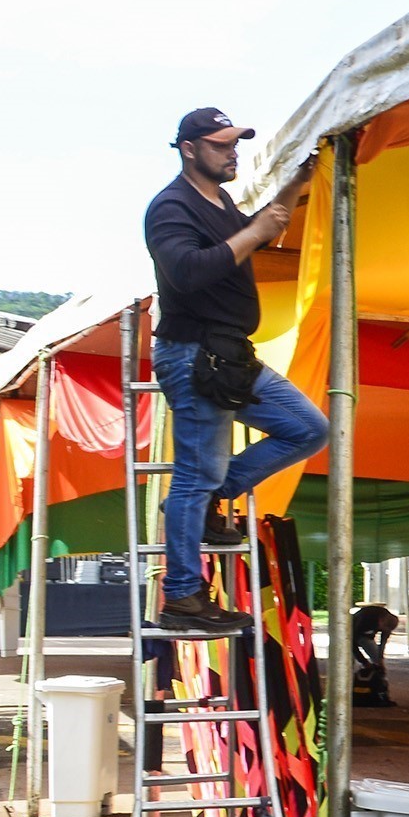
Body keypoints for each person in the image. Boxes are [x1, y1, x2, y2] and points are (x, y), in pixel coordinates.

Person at [140, 109, 328, 638]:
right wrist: (254, 233)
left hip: (227, 354)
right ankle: (181, 596)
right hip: (192, 354)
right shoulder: (170, 207)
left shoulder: (219, 202)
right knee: (194, 477)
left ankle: (202, 501)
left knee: (309, 428)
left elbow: (260, 232)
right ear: (188, 149)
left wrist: (294, 186)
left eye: (235, 144)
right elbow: (188, 271)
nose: (233, 153)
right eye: (221, 145)